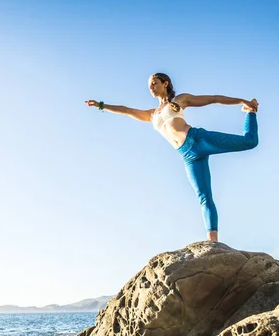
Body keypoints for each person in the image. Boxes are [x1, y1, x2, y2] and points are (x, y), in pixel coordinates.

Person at [85, 73, 259, 242]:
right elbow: (127, 110)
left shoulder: (179, 100)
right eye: (149, 86)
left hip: (197, 139)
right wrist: (102, 105)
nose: (151, 87)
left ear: (165, 83)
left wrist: (242, 101)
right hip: (188, 155)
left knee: (249, 142)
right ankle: (212, 241)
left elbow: (213, 98)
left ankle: (250, 112)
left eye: (154, 83)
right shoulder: (152, 114)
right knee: (204, 197)